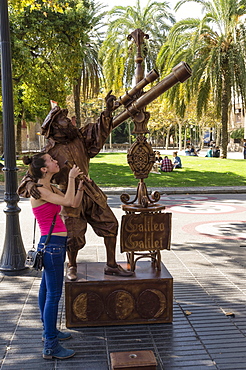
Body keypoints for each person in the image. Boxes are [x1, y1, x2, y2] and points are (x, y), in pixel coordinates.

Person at [17, 95, 133, 281]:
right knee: (73, 237)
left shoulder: (80, 138)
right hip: (68, 195)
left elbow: (99, 131)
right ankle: (72, 265)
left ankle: (111, 265)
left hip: (89, 190)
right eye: (64, 119)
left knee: (110, 224)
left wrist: (108, 111)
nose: (69, 121)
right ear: (56, 126)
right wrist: (31, 184)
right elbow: (31, 175)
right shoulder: (48, 152)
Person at [23, 152, 84, 360]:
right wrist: (72, 178)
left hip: (52, 245)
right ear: (44, 169)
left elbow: (73, 203)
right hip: (53, 248)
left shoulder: (48, 188)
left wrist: (81, 187)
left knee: (46, 291)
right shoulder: (41, 190)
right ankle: (50, 345)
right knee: (54, 295)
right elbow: (67, 200)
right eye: (51, 160)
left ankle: (49, 332)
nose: (56, 161)